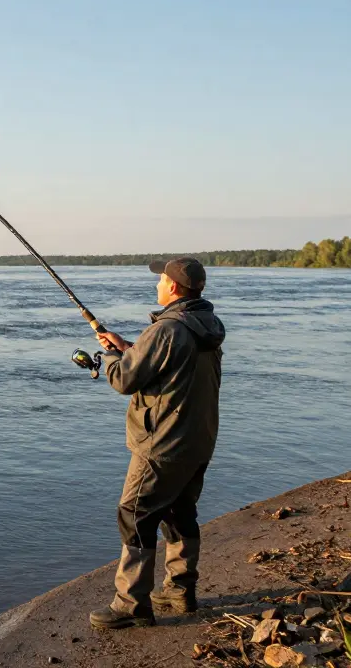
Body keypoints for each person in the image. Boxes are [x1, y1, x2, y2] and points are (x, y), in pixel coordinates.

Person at [87, 257, 226, 630]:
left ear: (175, 289)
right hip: (198, 441)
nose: (157, 285)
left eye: (161, 280)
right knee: (180, 513)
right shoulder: (207, 324)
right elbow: (173, 364)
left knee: (135, 515)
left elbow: (123, 380)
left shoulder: (166, 330)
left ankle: (131, 604)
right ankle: (180, 590)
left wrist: (115, 355)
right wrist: (129, 345)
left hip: (162, 444)